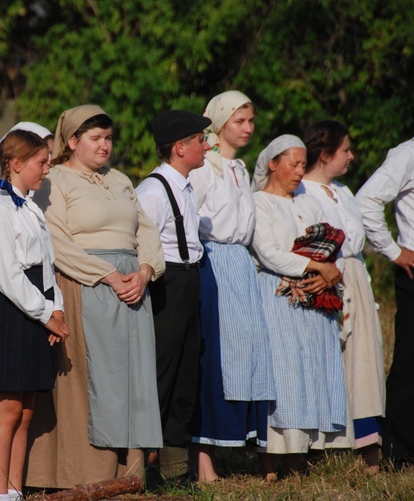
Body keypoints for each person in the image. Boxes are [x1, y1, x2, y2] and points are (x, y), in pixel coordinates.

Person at [26, 105, 165, 488]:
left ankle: (129, 474)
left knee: (131, 377)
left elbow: (147, 232)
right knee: (94, 380)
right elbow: (55, 239)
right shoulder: (55, 181)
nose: (105, 145)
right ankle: (86, 474)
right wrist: (106, 275)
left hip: (132, 288)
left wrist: (144, 271)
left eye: (108, 138)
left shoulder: (119, 179)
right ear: (72, 142)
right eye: (95, 138)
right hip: (85, 285)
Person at [186, 91, 276, 481]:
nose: (248, 128)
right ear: (219, 123)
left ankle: (235, 444)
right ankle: (202, 456)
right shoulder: (203, 168)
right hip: (213, 262)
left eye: (251, 121)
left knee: (247, 358)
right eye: (240, 121)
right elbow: (189, 220)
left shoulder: (239, 169)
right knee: (216, 357)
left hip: (240, 265)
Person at [0, 129, 70, 501]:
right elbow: (9, 276)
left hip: (37, 304)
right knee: (6, 407)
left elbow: (46, 263)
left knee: (27, 408)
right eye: (41, 162)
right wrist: (46, 312)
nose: (47, 169)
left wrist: (57, 306)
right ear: (15, 164)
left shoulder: (29, 204)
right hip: (10, 308)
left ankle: (15, 490)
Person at [250, 135, 348, 478]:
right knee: (282, 374)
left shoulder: (307, 201)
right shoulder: (258, 203)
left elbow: (331, 246)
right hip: (278, 298)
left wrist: (327, 274)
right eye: (292, 163)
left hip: (313, 300)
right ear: (273, 164)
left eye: (303, 164)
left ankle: (297, 459)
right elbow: (268, 252)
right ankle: (268, 460)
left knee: (310, 373)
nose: (299, 171)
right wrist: (315, 268)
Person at [356, 82, 414, 468]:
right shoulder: (410, 154)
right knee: (413, 360)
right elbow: (367, 200)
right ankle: (397, 452)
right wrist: (393, 251)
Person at [299, 121, 385, 471]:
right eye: (345, 150)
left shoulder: (344, 191)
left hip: (354, 277)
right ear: (324, 155)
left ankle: (367, 446)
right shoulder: (303, 191)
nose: (351, 156)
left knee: (364, 361)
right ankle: (317, 448)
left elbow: (355, 245)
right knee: (324, 361)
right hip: (324, 278)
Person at [135, 110, 210, 481]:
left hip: (189, 280)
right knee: (160, 376)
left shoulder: (185, 186)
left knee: (184, 376)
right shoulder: (153, 190)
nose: (207, 145)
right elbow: (138, 246)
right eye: (200, 140)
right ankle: (140, 469)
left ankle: (175, 470)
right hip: (165, 285)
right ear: (180, 148)